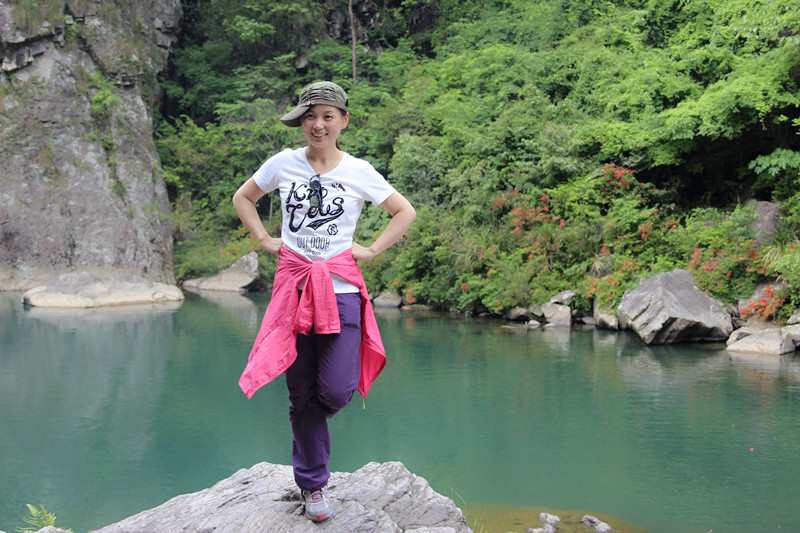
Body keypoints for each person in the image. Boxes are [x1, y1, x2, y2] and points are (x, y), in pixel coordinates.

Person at [232, 81, 416, 522]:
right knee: (301, 394)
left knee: (334, 390)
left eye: (327, 116)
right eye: (310, 116)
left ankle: (311, 421)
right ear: (301, 121)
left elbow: (404, 211)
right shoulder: (283, 163)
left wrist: (371, 249)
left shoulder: (358, 170)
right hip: (293, 289)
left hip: (341, 290)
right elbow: (244, 197)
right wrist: (263, 238)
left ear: (343, 121)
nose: (318, 125)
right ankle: (313, 485)